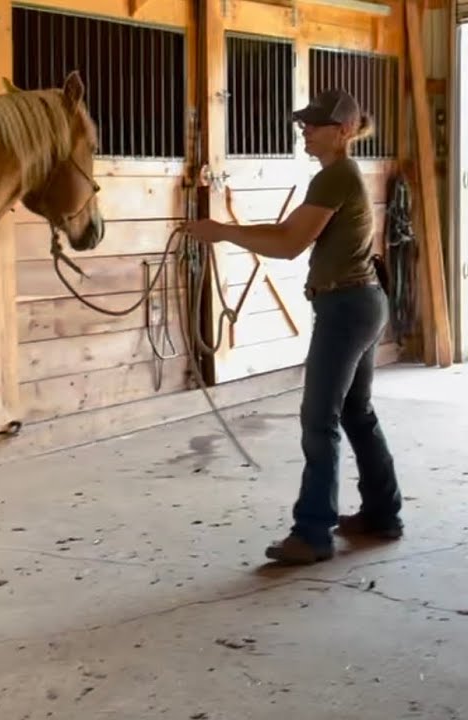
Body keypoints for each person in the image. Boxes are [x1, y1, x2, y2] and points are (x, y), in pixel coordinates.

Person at [183, 88, 404, 565]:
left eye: (314, 124)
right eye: (304, 123)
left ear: (342, 131)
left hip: (346, 307)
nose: (304, 129)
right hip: (362, 301)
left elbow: (288, 243)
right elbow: (289, 234)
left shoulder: (335, 178)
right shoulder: (338, 176)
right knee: (355, 413)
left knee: (319, 419)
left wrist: (221, 231)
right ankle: (382, 514)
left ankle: (313, 533)